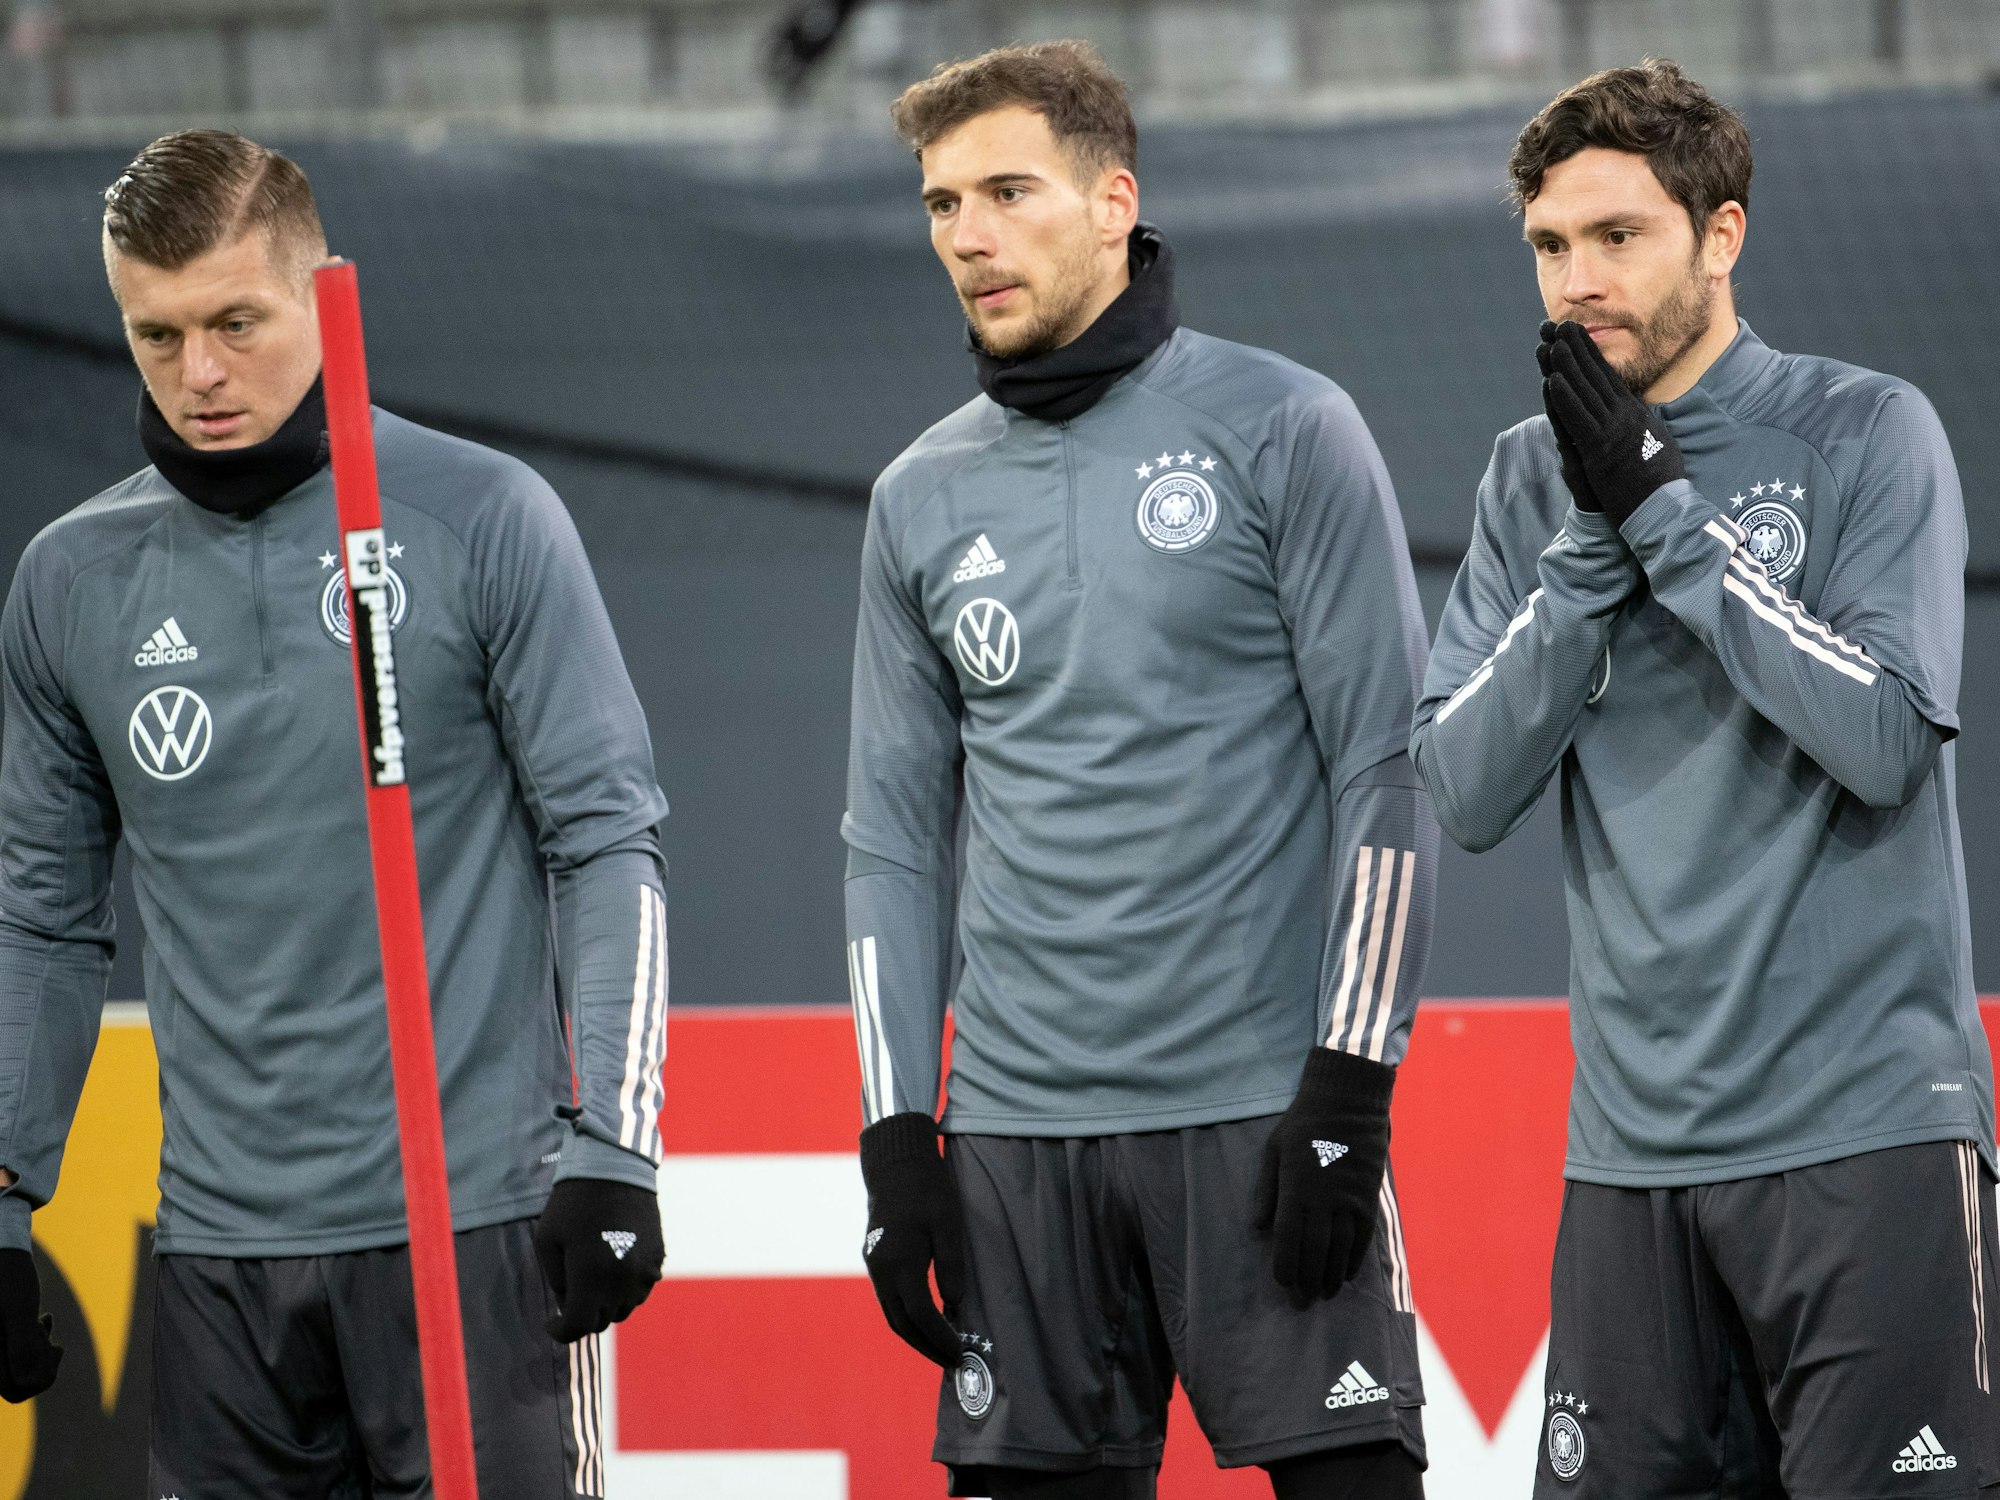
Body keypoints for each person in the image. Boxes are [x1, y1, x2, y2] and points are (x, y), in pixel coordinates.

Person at [0, 131, 670, 1499]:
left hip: (473, 1230)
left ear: (320, 293)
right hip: (219, 1264)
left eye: (236, 322)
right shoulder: (69, 582)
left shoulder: (482, 518)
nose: (198, 373)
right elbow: (42, 920)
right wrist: (3, 1195)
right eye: (156, 333)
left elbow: (607, 840)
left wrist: (614, 1143)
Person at [842, 41, 1437, 1500]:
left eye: (1006, 191)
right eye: (939, 204)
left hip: (1262, 1117)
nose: (967, 236)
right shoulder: (918, 495)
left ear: (1114, 201)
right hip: (1014, 1148)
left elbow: (1388, 769)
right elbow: (893, 844)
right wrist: (893, 1138)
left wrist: (1351, 1087)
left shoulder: (1285, 427)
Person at [1411, 60, 1997, 1496]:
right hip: (1631, 1159)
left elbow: (1883, 737)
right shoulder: (1522, 481)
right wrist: (1589, 538)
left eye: (1620, 237)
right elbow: (1463, 787)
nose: (1577, 279)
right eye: (1551, 246)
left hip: (1867, 1135)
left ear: (1720, 237)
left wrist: (1666, 514)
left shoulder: (1867, 430)